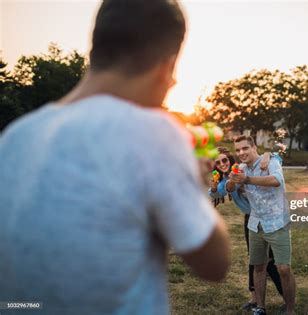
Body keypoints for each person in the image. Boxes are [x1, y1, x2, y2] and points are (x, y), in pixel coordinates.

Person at [0, 1, 230, 315]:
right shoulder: (154, 132)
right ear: (167, 66)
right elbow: (214, 264)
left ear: (97, 49)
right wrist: (198, 186)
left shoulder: (16, 136)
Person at [227, 136, 296, 315]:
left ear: (254, 147)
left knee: (284, 268)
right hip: (255, 224)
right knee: (258, 267)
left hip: (277, 222)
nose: (241, 153)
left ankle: (289, 310)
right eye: (238, 150)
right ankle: (260, 308)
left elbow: (276, 181)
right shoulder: (240, 168)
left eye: (245, 148)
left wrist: (247, 179)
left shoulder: (270, 161)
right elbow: (229, 188)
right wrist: (231, 182)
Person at [209, 147, 283, 311]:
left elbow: (277, 157)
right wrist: (213, 189)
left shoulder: (243, 168)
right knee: (255, 259)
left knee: (269, 261)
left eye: (225, 160)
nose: (222, 164)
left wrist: (267, 155)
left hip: (268, 216)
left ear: (230, 159)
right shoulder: (225, 180)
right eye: (218, 162)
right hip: (251, 218)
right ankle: (255, 298)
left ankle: (286, 296)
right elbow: (218, 191)